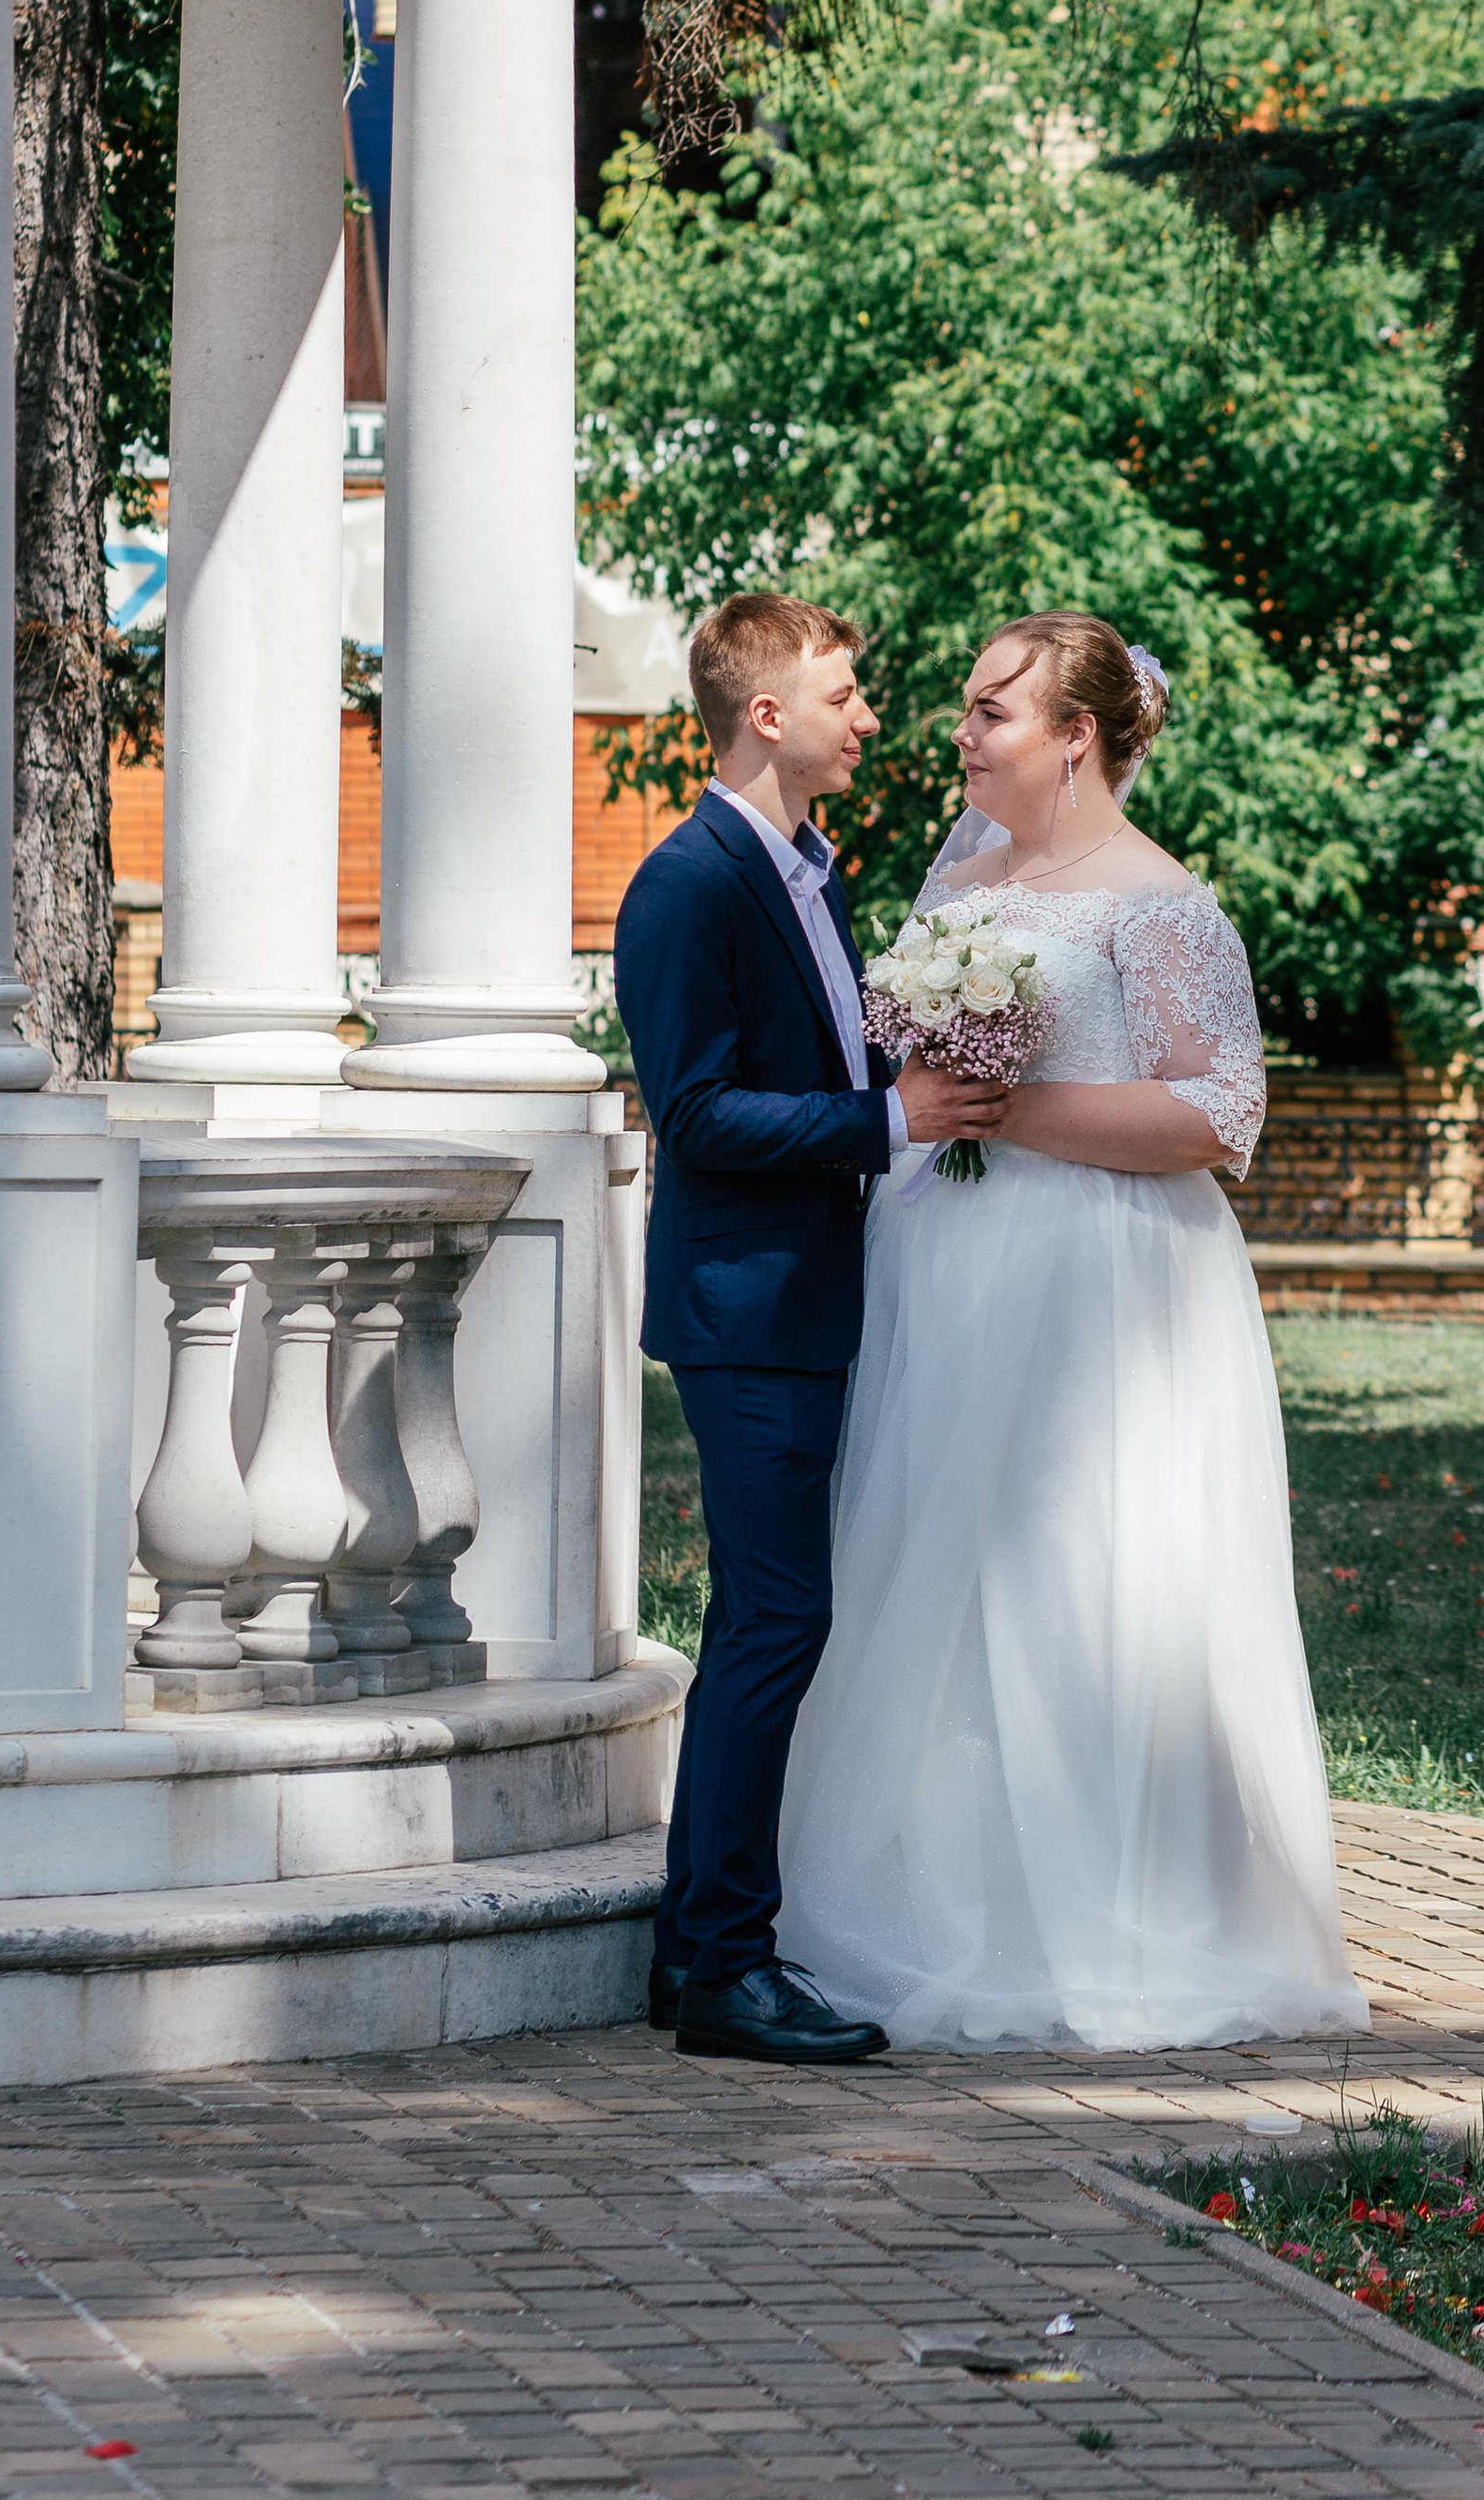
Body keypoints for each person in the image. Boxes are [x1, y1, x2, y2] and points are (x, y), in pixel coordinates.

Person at [777, 611, 1370, 2052]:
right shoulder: (962, 871)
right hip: (947, 1265)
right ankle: (927, 1900)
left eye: (991, 713)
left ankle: (1111, 1921)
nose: (960, 733)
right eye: (968, 710)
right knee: (937, 1573)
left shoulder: (1159, 905)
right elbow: (904, 1052)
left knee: (1085, 1583)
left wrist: (1009, 1111)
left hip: (1101, 1286)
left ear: (1076, 735)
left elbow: (1221, 1116)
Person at [613, 593, 1008, 2065]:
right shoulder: (688, 885)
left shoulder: (810, 876)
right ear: (765, 712)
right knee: (778, 1619)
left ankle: (690, 1946)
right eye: (846, 693)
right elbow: (699, 1114)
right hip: (748, 1311)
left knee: (765, 1620)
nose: (870, 715)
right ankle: (725, 1963)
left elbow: (837, 1048)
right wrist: (883, 1117)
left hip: (815, 1298)